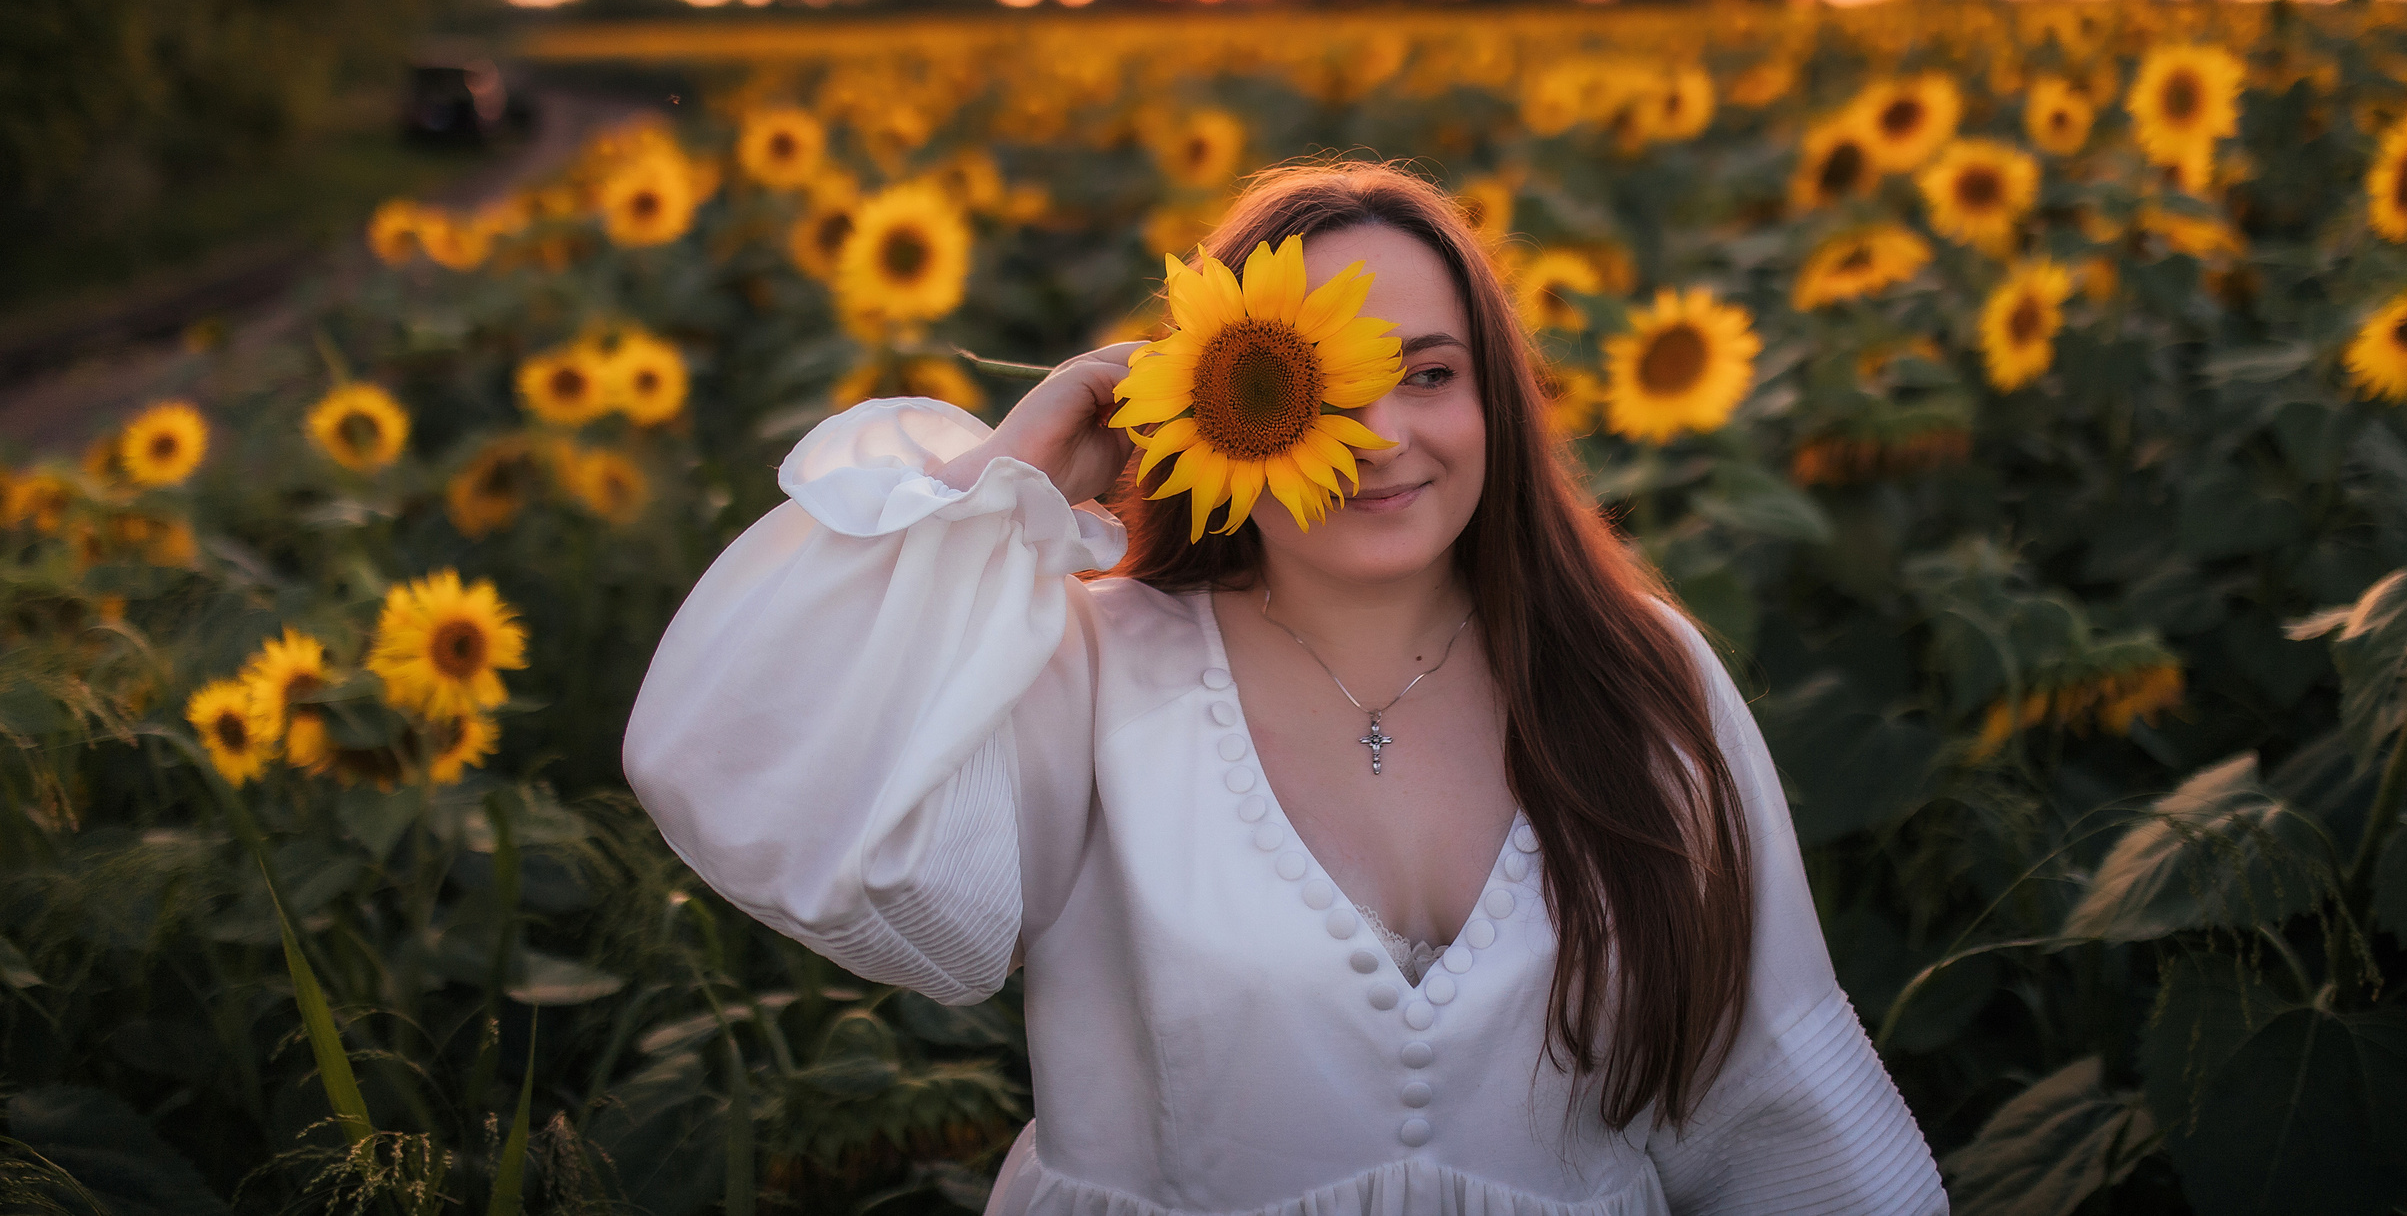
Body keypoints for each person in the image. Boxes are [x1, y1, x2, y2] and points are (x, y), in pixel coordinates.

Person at [625, 162, 1945, 1216]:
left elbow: (1769, 1094)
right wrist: (1008, 483)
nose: (1383, 432)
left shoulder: (1639, 676)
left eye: (1428, 373)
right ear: (1209, 407)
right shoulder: (1093, 668)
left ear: (1497, 399)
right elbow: (779, 795)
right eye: (1317, 382)